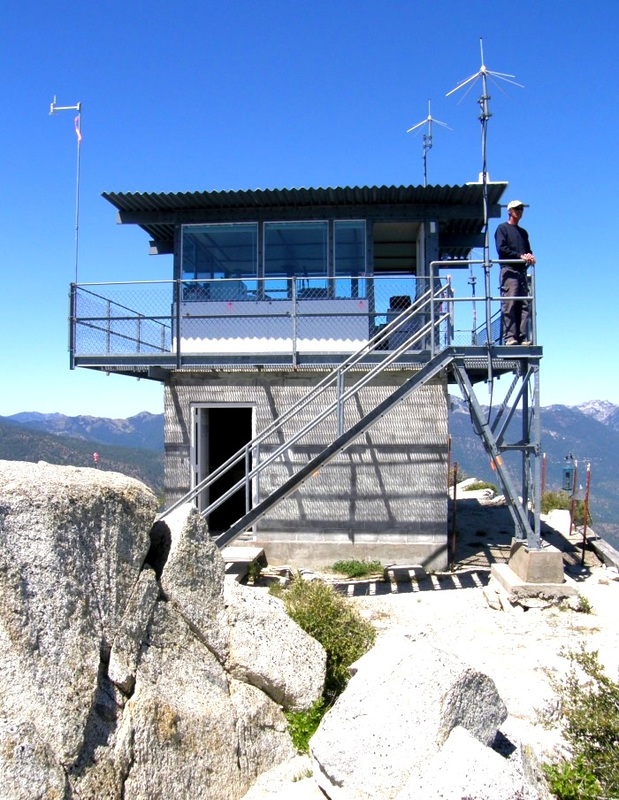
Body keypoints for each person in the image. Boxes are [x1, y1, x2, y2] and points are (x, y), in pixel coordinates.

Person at [494, 200, 536, 345]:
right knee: (510, 303)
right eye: (516, 209)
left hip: (521, 272)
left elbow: (527, 250)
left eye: (521, 209)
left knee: (524, 304)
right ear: (509, 211)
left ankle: (523, 337)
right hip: (509, 271)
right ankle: (510, 337)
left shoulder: (523, 233)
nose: (519, 211)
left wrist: (529, 256)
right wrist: (520, 256)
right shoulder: (502, 228)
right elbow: (502, 249)